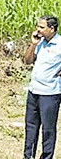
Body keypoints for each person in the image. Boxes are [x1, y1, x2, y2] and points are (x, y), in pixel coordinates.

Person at [23, 16, 61, 159]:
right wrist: (33, 45)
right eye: (37, 26)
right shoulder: (40, 42)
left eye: (41, 27)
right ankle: (28, 156)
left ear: (52, 29)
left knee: (48, 130)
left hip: (50, 93)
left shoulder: (59, 44)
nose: (37, 30)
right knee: (31, 127)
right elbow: (27, 61)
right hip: (34, 91)